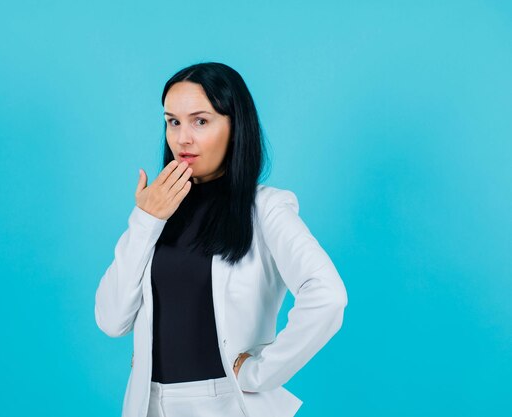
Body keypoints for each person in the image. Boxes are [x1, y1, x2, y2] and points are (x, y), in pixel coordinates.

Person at [94, 62, 348, 417]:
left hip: (225, 404)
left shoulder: (265, 209)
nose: (183, 138)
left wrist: (262, 373)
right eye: (173, 121)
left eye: (201, 121)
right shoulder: (158, 213)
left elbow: (328, 296)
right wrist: (146, 218)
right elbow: (111, 319)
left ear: (234, 126)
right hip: (147, 403)